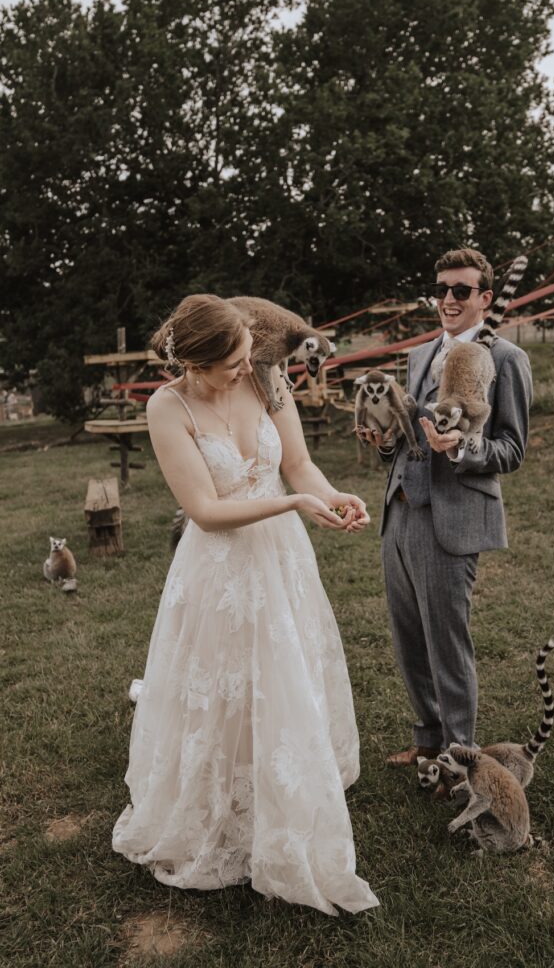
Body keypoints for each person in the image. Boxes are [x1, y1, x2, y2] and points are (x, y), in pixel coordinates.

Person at [113, 294, 378, 917]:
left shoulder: (265, 376)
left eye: (249, 357)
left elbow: (298, 463)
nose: (247, 369)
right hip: (219, 570)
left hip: (281, 558)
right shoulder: (166, 407)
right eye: (232, 362)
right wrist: (290, 504)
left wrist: (334, 497)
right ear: (196, 364)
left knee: (283, 674)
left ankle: (282, 791)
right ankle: (223, 805)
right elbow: (205, 513)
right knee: (226, 685)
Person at [361, 248, 532, 767]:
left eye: (461, 290)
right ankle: (428, 740)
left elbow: (512, 449)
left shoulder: (506, 359)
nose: (448, 299)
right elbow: (405, 435)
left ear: (485, 297)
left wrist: (459, 448)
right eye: (441, 289)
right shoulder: (417, 357)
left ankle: (461, 757)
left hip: (452, 518)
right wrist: (383, 439)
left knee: (447, 645)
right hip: (401, 511)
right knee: (408, 638)